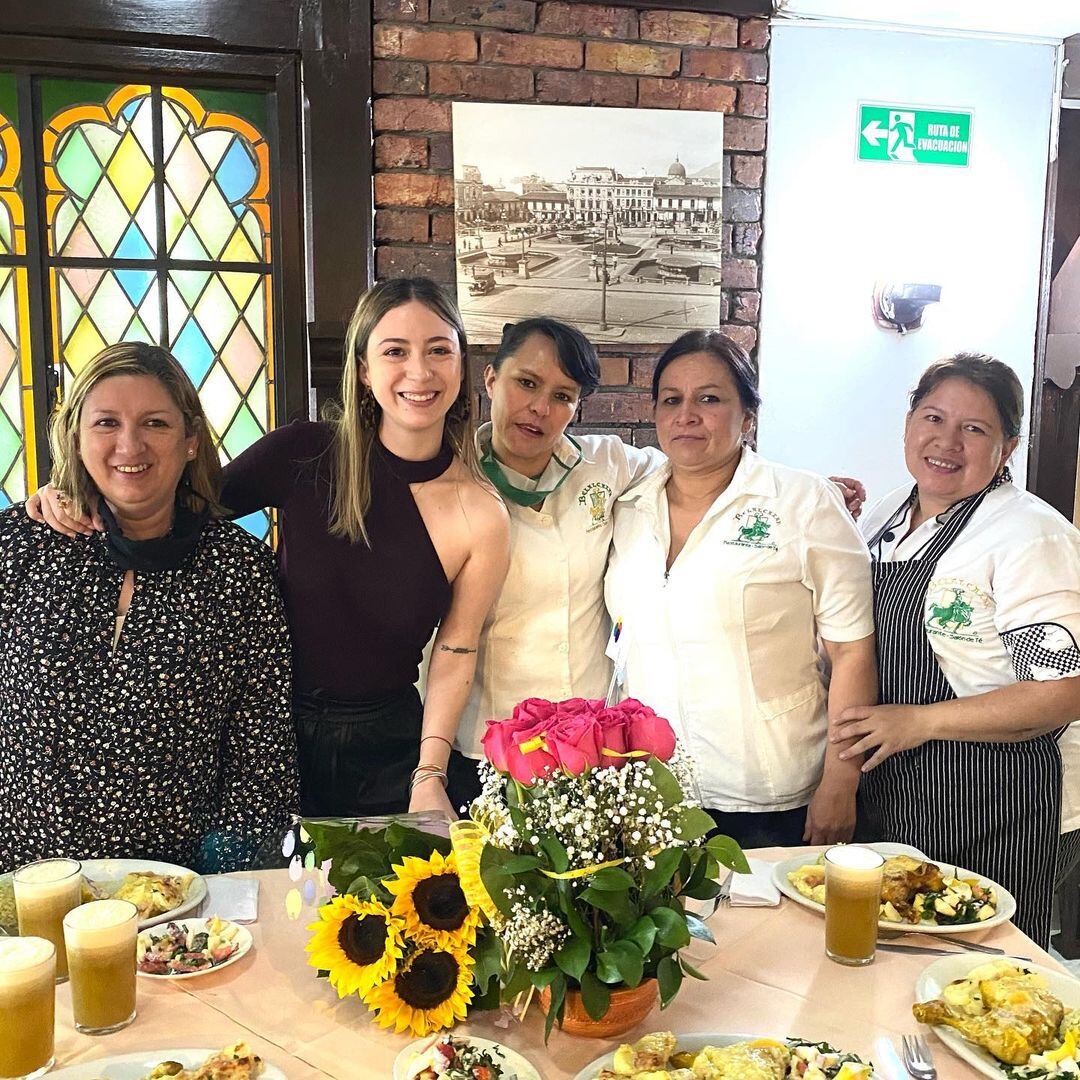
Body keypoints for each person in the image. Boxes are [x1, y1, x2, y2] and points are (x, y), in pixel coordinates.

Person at [27, 279, 510, 821]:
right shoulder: (302, 452)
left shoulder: (482, 513)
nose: (419, 373)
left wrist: (429, 775)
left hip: (391, 748)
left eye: (439, 350)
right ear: (363, 370)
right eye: (395, 351)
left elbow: (455, 651)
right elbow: (172, 502)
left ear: (463, 364)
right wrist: (70, 492)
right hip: (262, 739)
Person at [0, 343, 298, 874]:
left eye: (155, 423)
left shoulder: (239, 568)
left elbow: (260, 751)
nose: (128, 445)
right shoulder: (19, 544)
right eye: (106, 423)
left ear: (189, 440)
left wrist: (235, 889)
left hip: (177, 897)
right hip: (29, 888)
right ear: (76, 437)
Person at [833, 353, 1080, 946]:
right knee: (891, 960)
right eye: (933, 417)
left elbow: (1062, 694)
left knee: (975, 971)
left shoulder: (1029, 534)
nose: (947, 442)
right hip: (897, 786)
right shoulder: (889, 515)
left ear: (1009, 446)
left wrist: (918, 721)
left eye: (975, 429)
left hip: (1005, 797)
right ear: (908, 423)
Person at [604, 330, 877, 847]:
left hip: (773, 793)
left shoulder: (803, 503)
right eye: (672, 400)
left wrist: (842, 782)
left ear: (747, 416)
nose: (687, 415)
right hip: (653, 793)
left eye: (709, 398)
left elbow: (853, 654)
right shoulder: (629, 508)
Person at [444, 318, 663, 806]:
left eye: (563, 396)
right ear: (490, 379)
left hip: (589, 744)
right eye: (527, 383)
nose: (540, 408)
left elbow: (697, 472)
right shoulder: (451, 482)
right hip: (487, 745)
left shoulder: (605, 463)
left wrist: (801, 495)